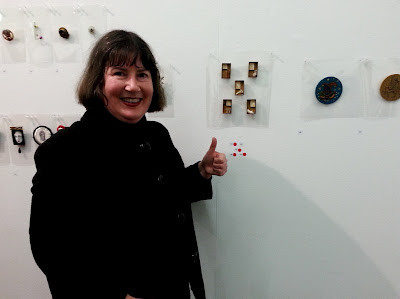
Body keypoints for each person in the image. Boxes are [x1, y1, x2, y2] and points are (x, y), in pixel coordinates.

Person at [29, 29, 227, 299]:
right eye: (120, 73)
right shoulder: (64, 150)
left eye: (142, 75)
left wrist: (201, 172)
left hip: (171, 288)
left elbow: (168, 195)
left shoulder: (157, 135)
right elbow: (50, 246)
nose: (133, 86)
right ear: (98, 81)